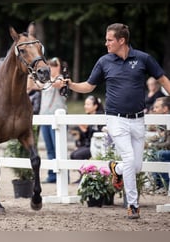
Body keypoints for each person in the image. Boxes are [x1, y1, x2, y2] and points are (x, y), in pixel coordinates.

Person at [64, 23, 170, 219]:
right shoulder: (104, 62)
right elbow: (88, 86)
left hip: (138, 120)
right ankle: (133, 205)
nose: (106, 43)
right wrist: (70, 84)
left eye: (109, 40)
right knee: (130, 160)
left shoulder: (143, 59)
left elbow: (163, 80)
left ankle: (116, 168)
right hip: (115, 119)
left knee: (136, 166)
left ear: (122, 40)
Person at [28, 57, 67, 183]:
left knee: (58, 147)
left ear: (59, 67)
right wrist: (31, 76)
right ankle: (52, 175)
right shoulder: (46, 82)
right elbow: (31, 86)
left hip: (57, 119)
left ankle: (64, 175)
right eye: (50, 65)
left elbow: (57, 84)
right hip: (45, 117)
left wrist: (45, 78)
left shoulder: (60, 78)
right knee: (49, 148)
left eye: (55, 65)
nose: (52, 67)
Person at [146, 96, 170, 192]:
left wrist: (151, 145)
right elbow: (160, 136)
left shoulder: (168, 120)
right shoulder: (162, 121)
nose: (154, 110)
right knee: (152, 153)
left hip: (167, 150)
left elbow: (168, 144)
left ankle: (165, 185)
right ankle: (158, 184)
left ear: (165, 109)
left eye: (156, 107)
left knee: (159, 154)